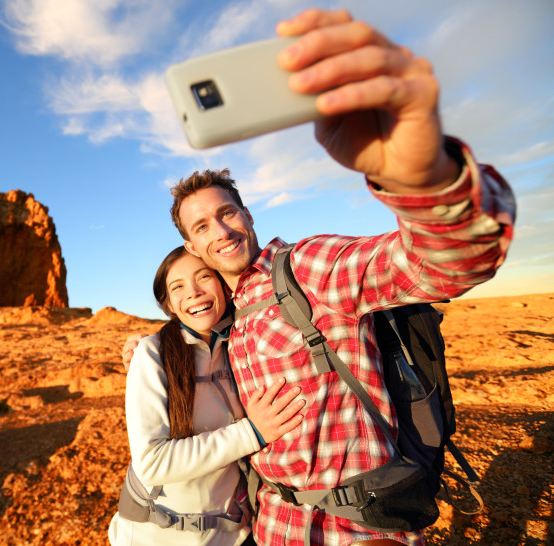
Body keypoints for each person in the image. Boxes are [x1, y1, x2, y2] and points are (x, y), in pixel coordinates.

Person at [123, 8, 517, 546]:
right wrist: (150, 348)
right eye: (202, 227)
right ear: (192, 246)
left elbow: (441, 263)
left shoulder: (308, 269)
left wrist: (424, 178)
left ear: (249, 214)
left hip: (361, 527)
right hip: (273, 527)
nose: (221, 231)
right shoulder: (227, 319)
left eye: (227, 213)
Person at [109, 246, 307, 546]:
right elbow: (152, 462)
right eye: (178, 287)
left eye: (204, 277)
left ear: (225, 288)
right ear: (169, 306)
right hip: (158, 538)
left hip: (236, 535)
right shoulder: (152, 354)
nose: (193, 292)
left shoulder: (239, 346)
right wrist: (252, 432)